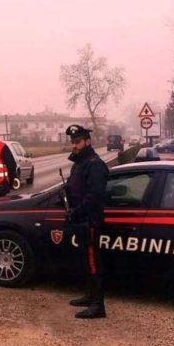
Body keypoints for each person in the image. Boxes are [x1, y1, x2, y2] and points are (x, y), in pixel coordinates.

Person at [64, 124, 109, 319]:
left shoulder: (95, 164)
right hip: (81, 220)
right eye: (72, 142)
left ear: (87, 141)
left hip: (90, 220)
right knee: (85, 260)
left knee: (93, 262)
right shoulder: (80, 163)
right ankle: (90, 296)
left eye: (78, 141)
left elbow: (94, 196)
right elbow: (75, 188)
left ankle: (98, 306)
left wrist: (77, 213)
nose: (74, 145)